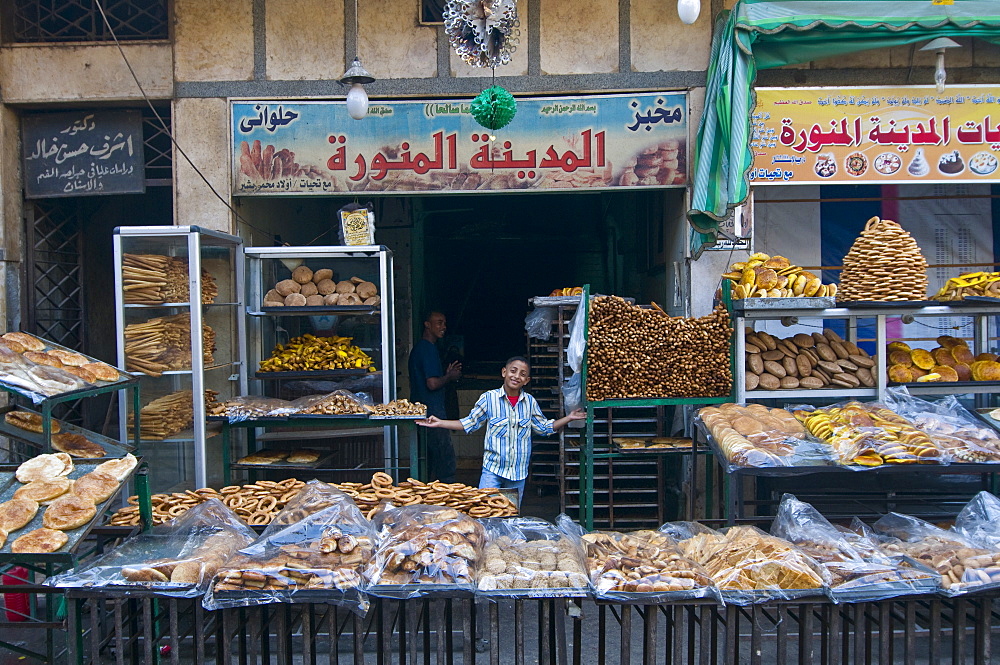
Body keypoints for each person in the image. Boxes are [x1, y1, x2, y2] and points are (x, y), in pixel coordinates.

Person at [418, 356, 585, 500]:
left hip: (517, 473)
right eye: (513, 371)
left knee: (511, 518)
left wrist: (568, 418)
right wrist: (440, 423)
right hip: (493, 471)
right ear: (504, 372)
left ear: (527, 381)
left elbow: (544, 427)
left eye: (523, 374)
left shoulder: (530, 402)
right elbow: (469, 423)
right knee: (487, 516)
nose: (517, 376)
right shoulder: (489, 399)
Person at [409, 310, 462, 482]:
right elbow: (432, 384)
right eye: (439, 322)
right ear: (427, 325)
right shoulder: (427, 349)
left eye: (444, 323)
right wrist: (449, 377)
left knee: (428, 460)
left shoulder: (421, 349)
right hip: (432, 413)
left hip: (424, 411)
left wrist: (445, 375)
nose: (443, 327)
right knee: (444, 461)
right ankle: (448, 499)